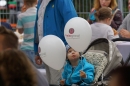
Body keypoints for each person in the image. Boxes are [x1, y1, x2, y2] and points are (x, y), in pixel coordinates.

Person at [34, 0, 78, 85]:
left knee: (58, 82)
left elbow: (72, 23)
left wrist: (69, 47)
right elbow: (38, 26)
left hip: (59, 50)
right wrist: (37, 50)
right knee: (51, 82)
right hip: (45, 49)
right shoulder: (41, 2)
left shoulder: (63, 1)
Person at [16, 0, 38, 67]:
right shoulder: (39, 13)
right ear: (36, 2)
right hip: (38, 48)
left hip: (26, 48)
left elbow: (20, 31)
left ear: (24, 3)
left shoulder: (21, 16)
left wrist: (23, 12)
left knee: (27, 72)